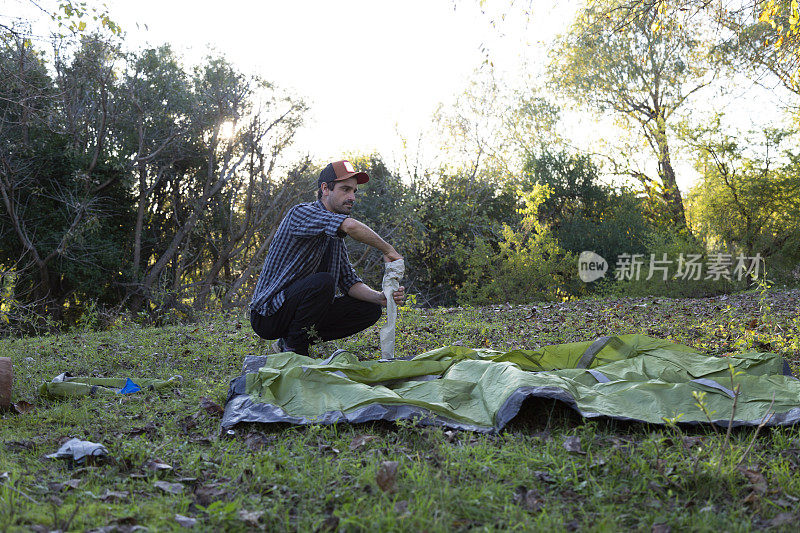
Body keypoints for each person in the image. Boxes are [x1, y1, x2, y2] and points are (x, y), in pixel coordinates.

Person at [249, 160, 405, 356]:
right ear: (325, 189)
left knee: (370, 309)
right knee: (323, 282)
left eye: (354, 191)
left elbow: (349, 282)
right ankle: (295, 350)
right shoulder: (300, 214)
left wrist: (380, 297)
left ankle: (290, 341)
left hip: (296, 313)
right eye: (345, 189)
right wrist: (388, 250)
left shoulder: (334, 237)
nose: (352, 197)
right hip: (268, 315)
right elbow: (350, 226)